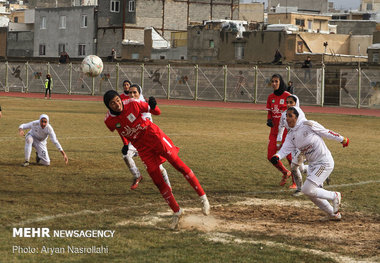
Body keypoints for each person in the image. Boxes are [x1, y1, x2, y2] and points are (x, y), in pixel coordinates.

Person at [103, 90, 210, 229]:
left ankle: (203, 198)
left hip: (155, 136)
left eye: (117, 100)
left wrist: (153, 105)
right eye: (112, 103)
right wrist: (125, 144)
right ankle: (177, 212)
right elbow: (120, 129)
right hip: (143, 149)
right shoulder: (109, 121)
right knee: (157, 179)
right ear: (108, 106)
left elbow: (156, 111)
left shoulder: (133, 103)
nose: (117, 104)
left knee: (178, 165)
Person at [271, 106, 349, 220]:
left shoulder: (308, 125)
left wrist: (342, 139)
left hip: (324, 162)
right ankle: (333, 214)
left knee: (306, 189)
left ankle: (334, 196)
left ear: (297, 117)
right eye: (286, 116)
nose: (287, 118)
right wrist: (277, 156)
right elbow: (284, 149)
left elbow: (326, 132)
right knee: (311, 193)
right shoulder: (291, 135)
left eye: (290, 116)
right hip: (313, 165)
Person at [276, 95, 308, 194]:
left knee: (294, 167)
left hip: (302, 142)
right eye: (287, 102)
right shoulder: (284, 114)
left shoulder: (299, 113)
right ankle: (316, 170)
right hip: (293, 141)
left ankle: (300, 188)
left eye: (291, 102)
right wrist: (279, 139)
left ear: (296, 103)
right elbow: (281, 126)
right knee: (301, 168)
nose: (289, 104)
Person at [266, 74, 292, 185]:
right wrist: (269, 119)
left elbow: (294, 112)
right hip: (274, 133)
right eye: (272, 81)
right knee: (270, 156)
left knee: (290, 157)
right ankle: (286, 172)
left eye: (276, 81)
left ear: (281, 82)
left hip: (286, 132)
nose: (274, 83)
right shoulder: (270, 97)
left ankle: (295, 182)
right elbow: (269, 112)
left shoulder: (288, 96)